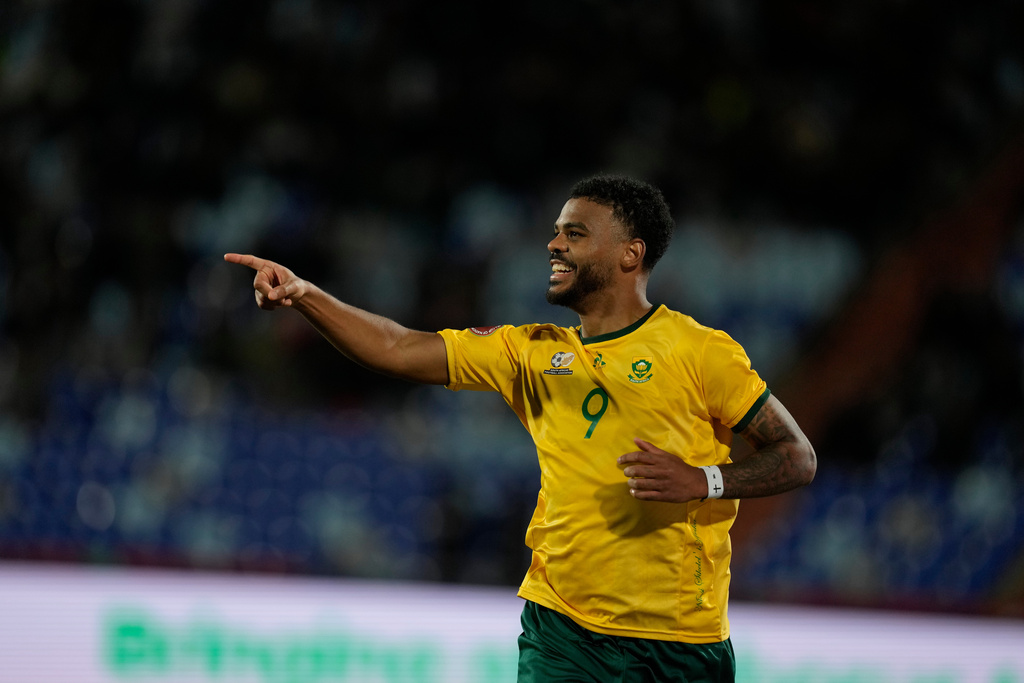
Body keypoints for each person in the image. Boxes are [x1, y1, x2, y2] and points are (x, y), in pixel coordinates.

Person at [225, 174, 816, 682]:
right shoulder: (529, 352)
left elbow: (797, 455)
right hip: (563, 631)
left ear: (629, 255)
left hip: (682, 642)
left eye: (575, 234)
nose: (554, 244)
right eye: (557, 232)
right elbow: (398, 347)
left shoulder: (699, 351)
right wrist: (306, 296)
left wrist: (704, 480)